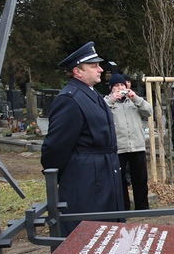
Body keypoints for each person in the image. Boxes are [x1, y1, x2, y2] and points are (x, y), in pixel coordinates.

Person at [41, 41, 125, 236]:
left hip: (104, 176)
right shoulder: (69, 99)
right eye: (94, 66)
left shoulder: (92, 94)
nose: (100, 69)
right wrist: (73, 176)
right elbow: (55, 149)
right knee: (87, 238)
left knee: (108, 234)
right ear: (77, 72)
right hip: (87, 181)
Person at [104, 73, 153, 210]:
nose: (120, 88)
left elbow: (149, 111)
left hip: (137, 147)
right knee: (120, 181)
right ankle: (123, 208)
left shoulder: (134, 101)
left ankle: (142, 208)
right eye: (116, 86)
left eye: (122, 85)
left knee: (140, 180)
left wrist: (136, 98)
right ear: (111, 88)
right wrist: (112, 100)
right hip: (118, 148)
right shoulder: (107, 101)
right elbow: (99, 114)